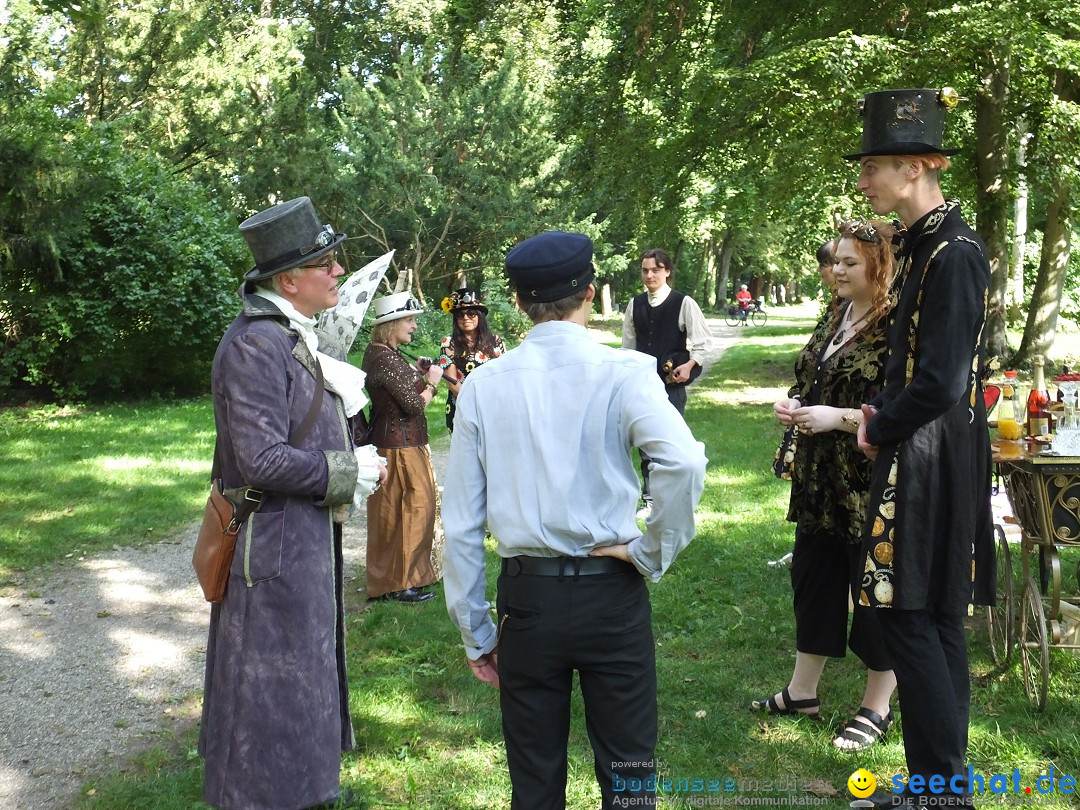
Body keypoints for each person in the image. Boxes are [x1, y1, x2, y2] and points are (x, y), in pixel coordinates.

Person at [443, 231, 707, 810]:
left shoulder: (484, 385)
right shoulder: (627, 370)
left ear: (517, 303)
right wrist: (650, 551)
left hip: (528, 601)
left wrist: (475, 629)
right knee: (630, 773)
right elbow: (683, 462)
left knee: (534, 780)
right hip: (611, 592)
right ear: (590, 293)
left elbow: (461, 522)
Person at [199, 196, 384, 809]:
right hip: (268, 546)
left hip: (295, 536)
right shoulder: (256, 345)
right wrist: (346, 470)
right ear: (288, 280)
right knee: (266, 681)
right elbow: (261, 460)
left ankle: (302, 788)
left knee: (301, 671)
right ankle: (259, 795)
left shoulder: (284, 336)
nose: (337, 271)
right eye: (326, 264)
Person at [847, 88, 994, 806]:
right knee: (929, 617)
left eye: (873, 165)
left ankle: (942, 791)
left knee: (911, 617)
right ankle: (943, 786)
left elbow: (940, 381)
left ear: (917, 167)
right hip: (923, 449)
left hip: (930, 459)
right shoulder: (926, 245)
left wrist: (878, 424)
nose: (863, 180)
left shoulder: (955, 253)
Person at [755, 219, 898, 752]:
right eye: (835, 261)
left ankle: (877, 704)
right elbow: (812, 374)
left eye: (848, 263)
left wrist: (836, 417)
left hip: (867, 478)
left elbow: (897, 407)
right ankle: (802, 691)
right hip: (819, 477)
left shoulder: (896, 326)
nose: (835, 270)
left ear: (878, 266)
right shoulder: (836, 313)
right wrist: (794, 404)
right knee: (814, 578)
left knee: (874, 587)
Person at [362, 292, 445, 603]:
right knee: (409, 510)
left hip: (401, 445)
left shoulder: (386, 354)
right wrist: (434, 382)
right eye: (409, 320)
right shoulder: (384, 358)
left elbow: (403, 395)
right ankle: (398, 584)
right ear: (392, 323)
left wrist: (420, 374)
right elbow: (413, 407)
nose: (413, 326)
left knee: (406, 511)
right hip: (399, 448)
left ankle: (404, 578)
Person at [621, 247, 710, 518]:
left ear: (667, 272)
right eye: (645, 270)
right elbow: (628, 348)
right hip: (643, 386)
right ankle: (649, 499)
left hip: (671, 386)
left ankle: (676, 499)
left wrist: (689, 365)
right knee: (645, 445)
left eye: (656, 270)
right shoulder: (634, 304)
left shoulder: (683, 303)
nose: (650, 275)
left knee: (673, 443)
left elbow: (702, 342)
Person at [437, 286, 506, 431]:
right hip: (464, 406)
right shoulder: (449, 343)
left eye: (471, 313)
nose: (465, 318)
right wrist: (476, 404)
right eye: (460, 315)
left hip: (495, 406)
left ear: (480, 316)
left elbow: (506, 374)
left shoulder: (496, 341)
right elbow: (451, 382)